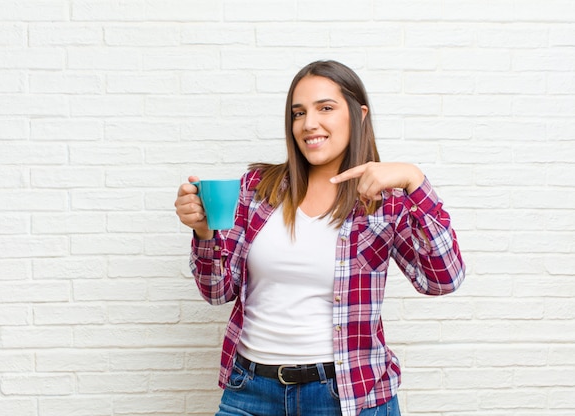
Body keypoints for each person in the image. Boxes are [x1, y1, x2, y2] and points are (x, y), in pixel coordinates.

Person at [174, 60, 465, 416]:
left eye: (325, 108)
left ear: (359, 115)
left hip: (347, 397)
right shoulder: (256, 189)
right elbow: (217, 291)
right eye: (298, 113)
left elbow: (443, 280)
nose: (309, 123)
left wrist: (415, 180)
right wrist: (203, 233)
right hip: (249, 391)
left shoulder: (386, 200)